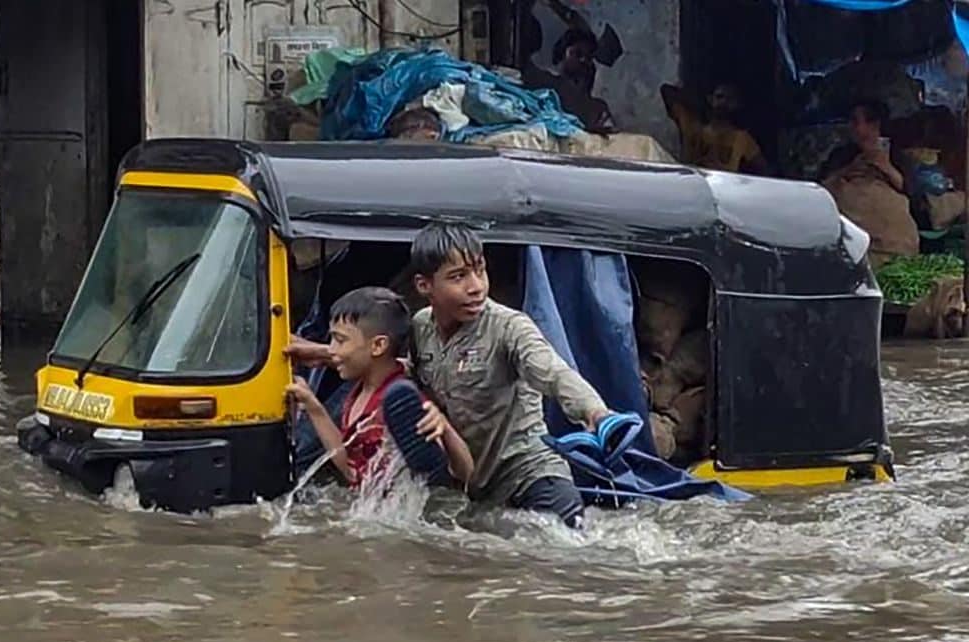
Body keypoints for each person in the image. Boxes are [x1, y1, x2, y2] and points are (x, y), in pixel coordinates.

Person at [288, 226, 612, 528]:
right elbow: (389, 365)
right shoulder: (421, 327)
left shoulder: (509, 327)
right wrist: (321, 354)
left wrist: (597, 414)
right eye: (458, 277)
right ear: (424, 285)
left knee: (571, 545)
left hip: (528, 474)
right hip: (470, 487)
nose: (476, 287)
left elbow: (554, 373)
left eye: (480, 270)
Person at [286, 287, 474, 489]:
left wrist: (444, 428)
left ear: (378, 346)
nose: (331, 350)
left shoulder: (403, 403)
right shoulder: (358, 392)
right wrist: (312, 406)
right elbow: (351, 471)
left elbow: (465, 472)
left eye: (340, 340)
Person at [820, 99, 918, 267]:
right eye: (855, 122)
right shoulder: (841, 155)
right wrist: (851, 168)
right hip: (852, 233)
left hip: (890, 235)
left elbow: (912, 194)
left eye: (869, 121)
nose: (861, 129)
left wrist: (885, 166)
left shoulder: (896, 155)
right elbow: (822, 189)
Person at [661, 83, 770, 175]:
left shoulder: (742, 138)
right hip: (688, 182)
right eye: (720, 97)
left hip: (725, 190)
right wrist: (695, 99)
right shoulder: (693, 128)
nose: (724, 103)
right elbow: (666, 90)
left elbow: (763, 169)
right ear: (710, 99)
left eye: (730, 99)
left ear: (737, 104)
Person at [522, 27, 616, 134]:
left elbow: (613, 135)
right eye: (577, 54)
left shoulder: (597, 109)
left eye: (588, 57)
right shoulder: (544, 87)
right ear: (562, 54)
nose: (583, 61)